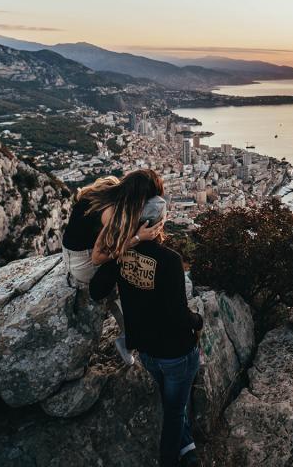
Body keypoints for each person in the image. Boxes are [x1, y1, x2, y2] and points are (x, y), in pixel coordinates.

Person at [89, 169, 203, 467]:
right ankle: (173, 460)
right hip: (176, 352)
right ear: (159, 222)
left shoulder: (122, 252)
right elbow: (178, 314)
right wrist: (197, 322)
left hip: (147, 352)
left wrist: (118, 253)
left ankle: (187, 445)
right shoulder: (170, 260)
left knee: (170, 404)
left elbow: (96, 289)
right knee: (175, 411)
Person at [62, 175, 163, 365]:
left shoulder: (108, 186)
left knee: (126, 252)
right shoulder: (113, 213)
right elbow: (97, 257)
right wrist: (138, 238)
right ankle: (128, 339)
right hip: (83, 263)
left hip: (68, 253)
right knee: (128, 266)